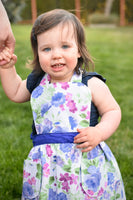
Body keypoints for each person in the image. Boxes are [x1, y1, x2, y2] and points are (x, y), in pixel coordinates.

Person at [0, 9, 126, 200]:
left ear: (79, 49)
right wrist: (7, 68)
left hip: (84, 161)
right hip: (47, 166)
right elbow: (16, 92)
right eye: (47, 49)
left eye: (65, 46)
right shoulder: (37, 82)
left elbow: (112, 111)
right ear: (37, 53)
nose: (56, 55)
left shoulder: (90, 83)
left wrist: (98, 133)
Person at [0, 0, 15, 65]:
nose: (51, 56)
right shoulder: (38, 75)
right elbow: (12, 76)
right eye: (47, 49)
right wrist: (7, 68)